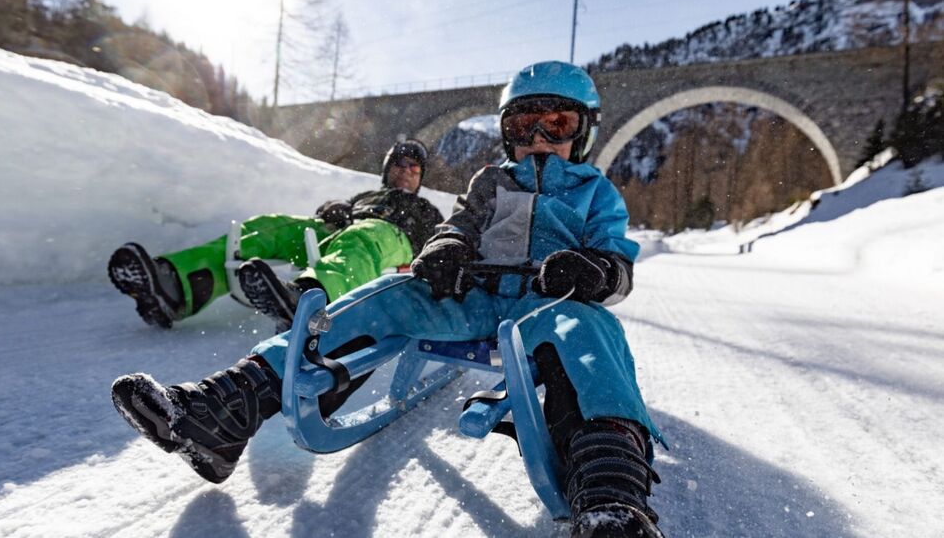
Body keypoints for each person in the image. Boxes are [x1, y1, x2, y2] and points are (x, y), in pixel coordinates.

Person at [110, 62, 665, 538]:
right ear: (506, 132)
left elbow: (617, 264)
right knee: (386, 296)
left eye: (558, 123)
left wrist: (594, 270)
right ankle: (226, 409)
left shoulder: (595, 192)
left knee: (591, 334)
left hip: (549, 305)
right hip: (473, 297)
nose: (540, 137)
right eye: (524, 124)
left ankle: (610, 494)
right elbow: (459, 226)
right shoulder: (491, 182)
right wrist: (445, 249)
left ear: (583, 131)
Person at [107, 139, 444, 331]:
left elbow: (438, 245)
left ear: (420, 177)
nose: (406, 171)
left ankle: (311, 302)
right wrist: (334, 208)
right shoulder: (363, 197)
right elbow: (327, 211)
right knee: (270, 227)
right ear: (387, 170)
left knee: (362, 238)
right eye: (399, 164)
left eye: (414, 168)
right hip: (339, 231)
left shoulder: (427, 209)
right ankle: (176, 285)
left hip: (389, 240)